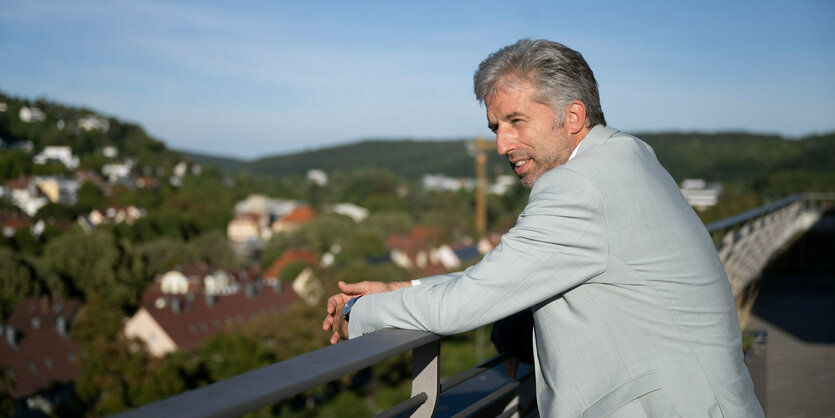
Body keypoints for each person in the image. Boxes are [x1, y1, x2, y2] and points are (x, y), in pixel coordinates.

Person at [322, 39, 763, 417]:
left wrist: (355, 314)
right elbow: (505, 275)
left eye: (516, 122)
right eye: (496, 127)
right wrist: (401, 285)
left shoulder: (579, 186)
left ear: (572, 116)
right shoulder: (626, 157)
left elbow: (464, 304)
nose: (501, 145)